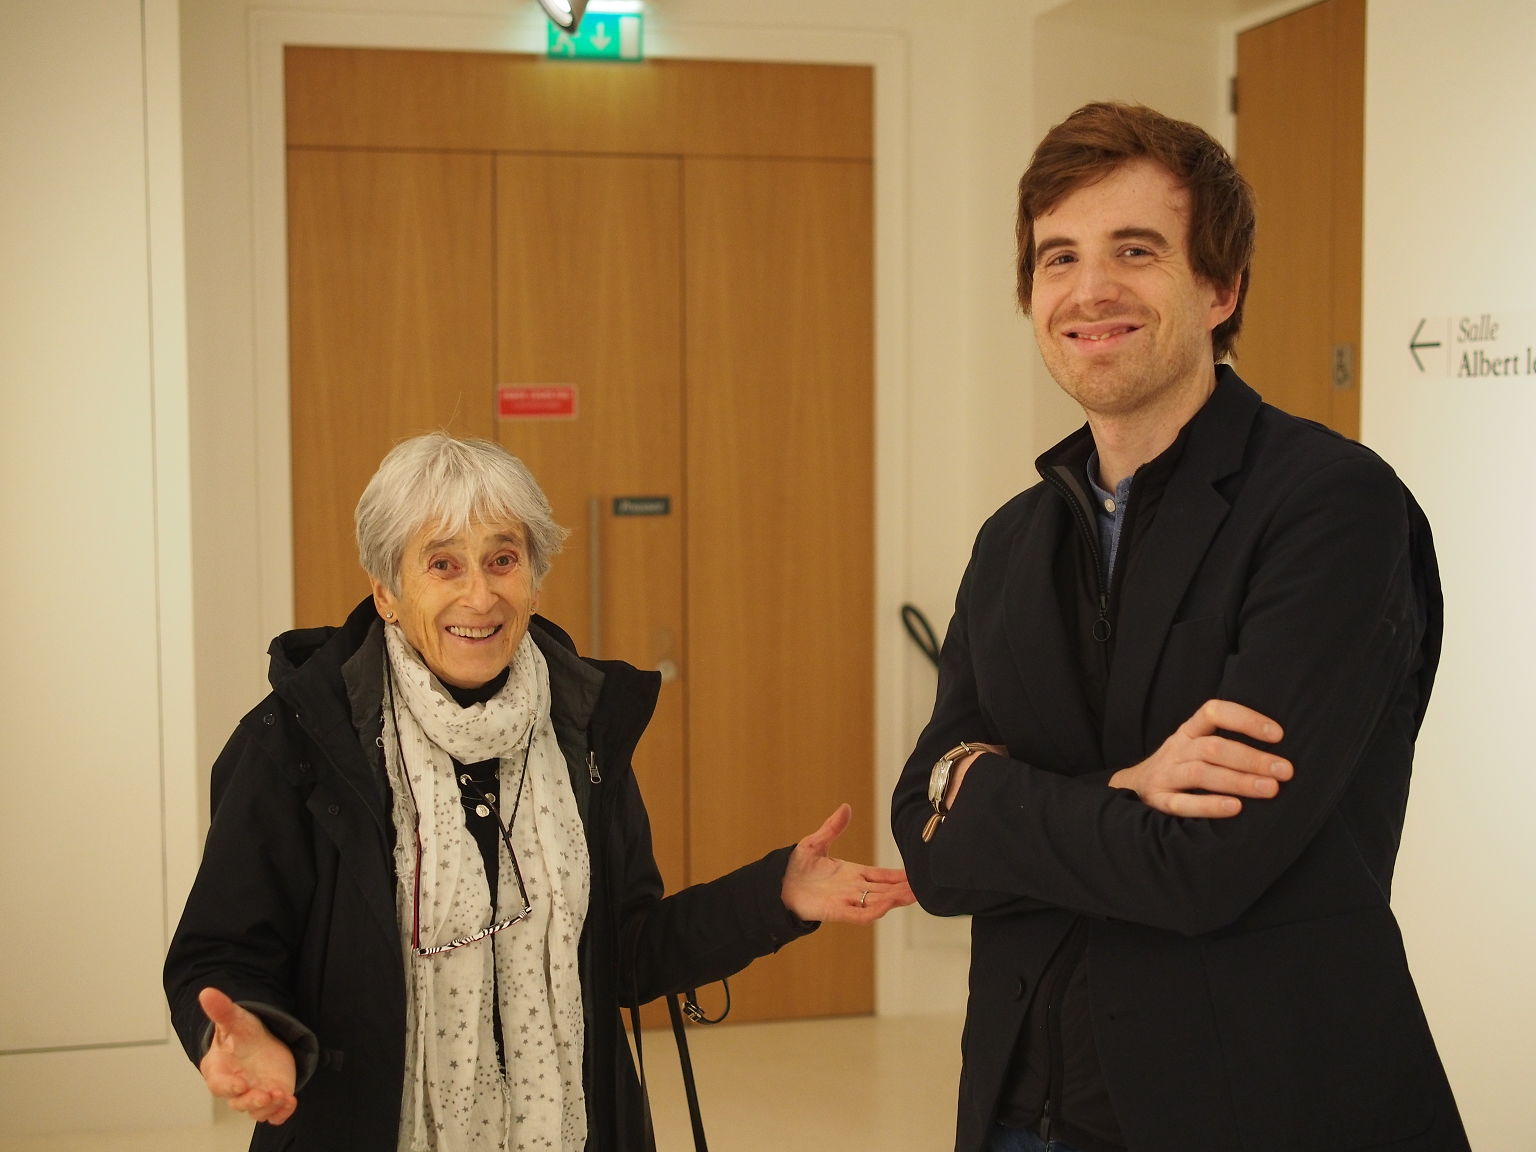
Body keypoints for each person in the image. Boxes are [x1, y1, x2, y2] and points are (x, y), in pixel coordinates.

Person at [891, 102, 1467, 1152]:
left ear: (1220, 287)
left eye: (1136, 250)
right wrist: (1123, 787)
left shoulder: (1331, 507)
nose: (1089, 290)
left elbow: (1204, 865)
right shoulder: (1011, 543)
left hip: (1258, 1105)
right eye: (1059, 257)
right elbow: (931, 852)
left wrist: (991, 794)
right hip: (1020, 1108)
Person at [166, 432, 913, 1151]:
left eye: (502, 559)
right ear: (386, 591)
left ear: (533, 575)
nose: (480, 595)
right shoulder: (298, 741)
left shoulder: (581, 728)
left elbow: (625, 953)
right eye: (443, 564)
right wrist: (254, 1030)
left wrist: (775, 896)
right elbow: (221, 949)